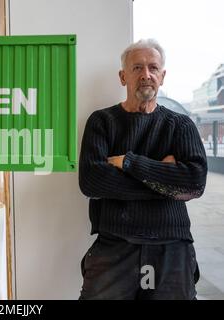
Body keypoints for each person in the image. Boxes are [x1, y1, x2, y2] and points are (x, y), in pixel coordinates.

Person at [78, 39, 207, 300]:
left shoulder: (180, 125)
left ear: (162, 75)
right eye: (137, 68)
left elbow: (194, 183)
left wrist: (129, 163)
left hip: (172, 248)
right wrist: (165, 177)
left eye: (153, 67)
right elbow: (92, 181)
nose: (146, 74)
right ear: (123, 76)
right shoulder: (102, 122)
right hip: (115, 245)